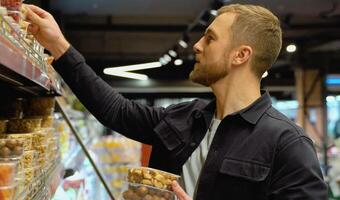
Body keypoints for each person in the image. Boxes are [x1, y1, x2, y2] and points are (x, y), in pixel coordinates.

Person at [25, 3, 327, 200]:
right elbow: (116, 110)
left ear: (241, 55)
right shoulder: (187, 117)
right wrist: (59, 46)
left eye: (210, 38)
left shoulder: (288, 144)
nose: (196, 45)